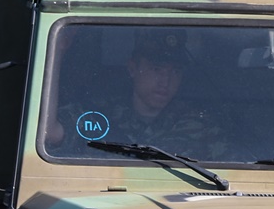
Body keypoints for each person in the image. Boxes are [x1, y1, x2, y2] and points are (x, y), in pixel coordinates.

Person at [46, 30, 219, 156]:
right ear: (132, 68)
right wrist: (57, 51)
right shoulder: (96, 114)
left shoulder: (200, 123)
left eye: (175, 72)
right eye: (156, 69)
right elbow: (50, 133)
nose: (165, 81)